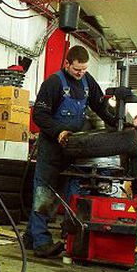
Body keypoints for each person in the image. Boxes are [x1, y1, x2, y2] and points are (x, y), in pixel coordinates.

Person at [24, 45, 117, 257]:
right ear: (67, 64)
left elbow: (100, 106)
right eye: (77, 70)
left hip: (75, 148)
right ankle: (41, 242)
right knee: (45, 193)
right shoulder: (54, 83)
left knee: (71, 193)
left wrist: (117, 122)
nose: (81, 73)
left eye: (84, 69)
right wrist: (59, 131)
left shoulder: (87, 82)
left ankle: (37, 236)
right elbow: (39, 115)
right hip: (52, 148)